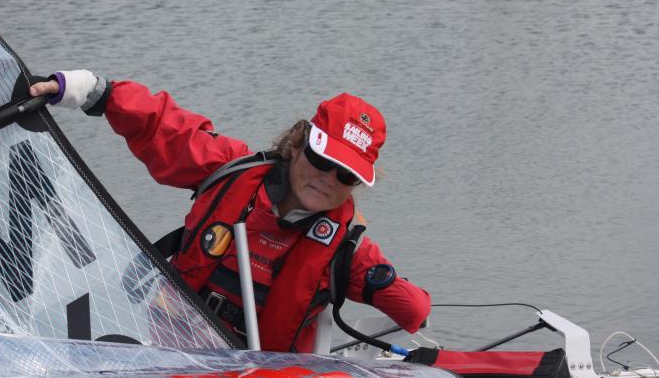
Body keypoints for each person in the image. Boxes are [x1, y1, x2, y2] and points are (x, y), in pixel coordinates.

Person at [29, 70, 431, 353]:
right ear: (298, 143)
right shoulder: (230, 170)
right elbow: (162, 129)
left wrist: (382, 281)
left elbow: (413, 310)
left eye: (345, 175)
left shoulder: (346, 246)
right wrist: (91, 90)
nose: (328, 179)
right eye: (321, 159)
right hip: (172, 356)